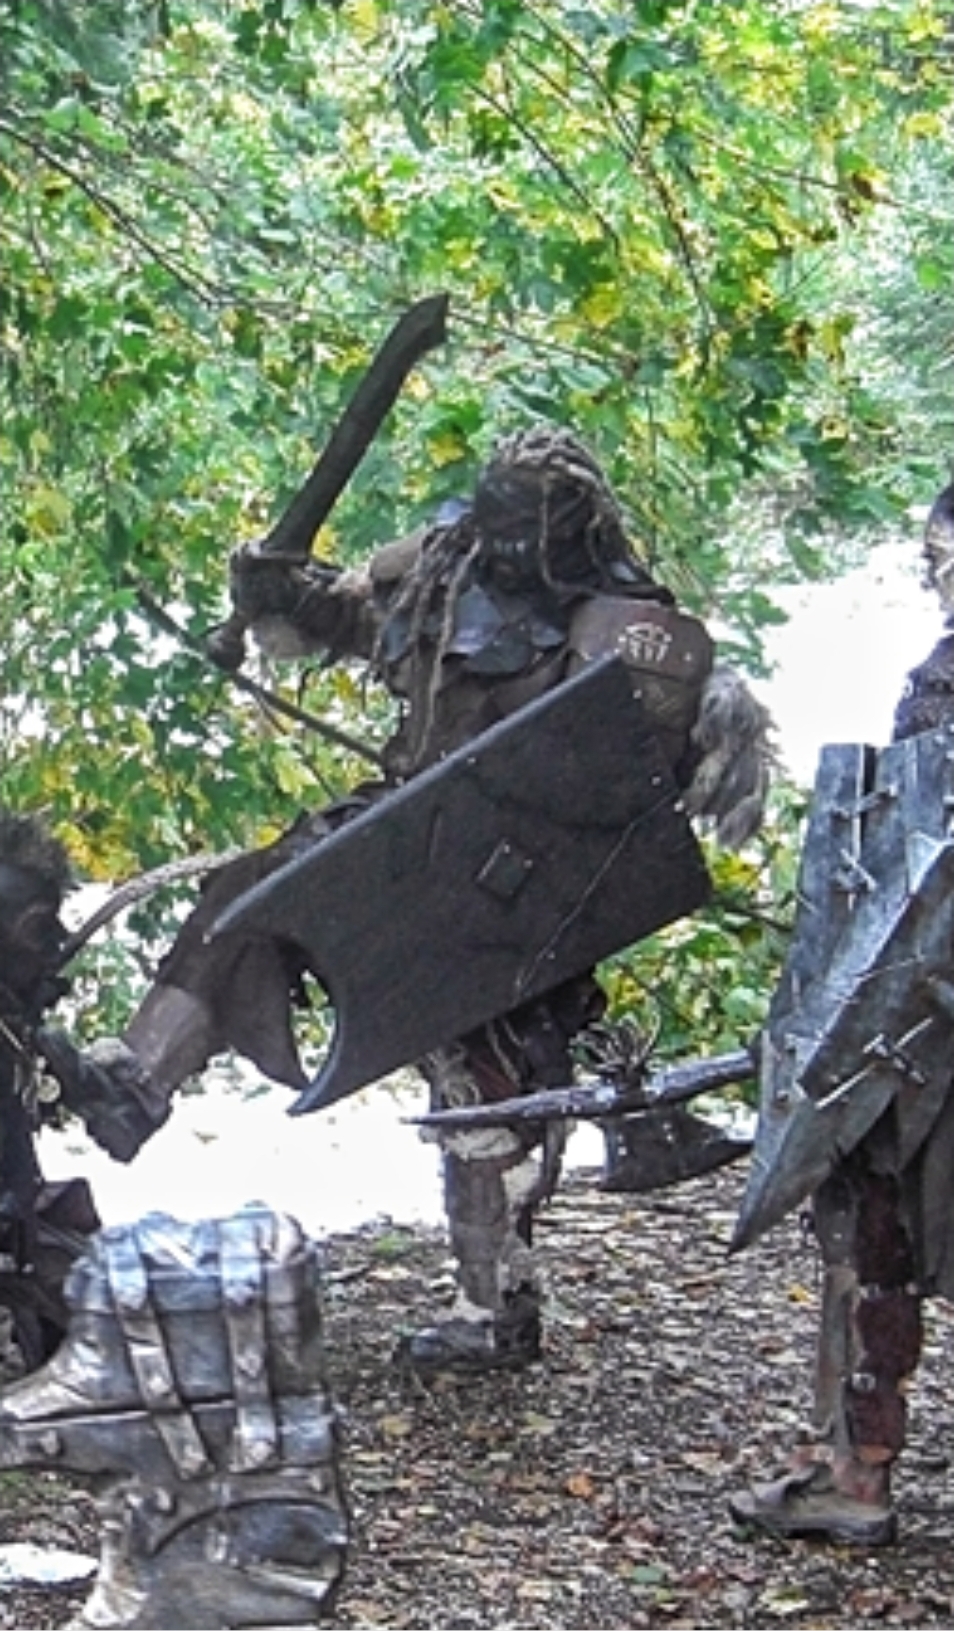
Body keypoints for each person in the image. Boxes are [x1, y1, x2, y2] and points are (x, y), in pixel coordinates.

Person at [53, 424, 773, 1374]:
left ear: (575, 529)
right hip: (399, 830)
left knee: (485, 1073)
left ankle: (494, 1305)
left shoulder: (632, 638)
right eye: (501, 523)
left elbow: (629, 798)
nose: (509, 546)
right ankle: (138, 1083)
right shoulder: (444, 569)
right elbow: (347, 621)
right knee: (247, 899)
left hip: (515, 883)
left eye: (530, 529)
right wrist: (284, 597)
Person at [729, 478, 954, 1546]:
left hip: (928, 1029)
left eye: (946, 554)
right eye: (934, 555)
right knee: (868, 1223)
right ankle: (847, 1459)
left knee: (871, 1226)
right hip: (922, 1009)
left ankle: (855, 1476)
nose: (937, 574)